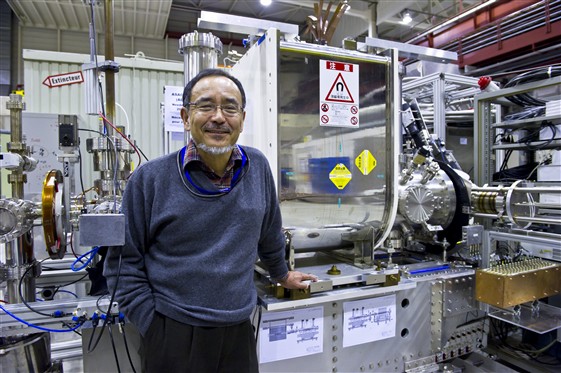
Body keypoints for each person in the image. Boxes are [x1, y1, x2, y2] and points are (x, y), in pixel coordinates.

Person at [103, 68, 317, 372]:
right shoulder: (150, 180)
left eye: (230, 107)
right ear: (185, 117)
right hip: (174, 333)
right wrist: (153, 325)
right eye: (205, 106)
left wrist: (281, 274)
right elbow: (122, 264)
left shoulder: (257, 166)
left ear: (242, 119)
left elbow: (269, 231)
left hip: (239, 330)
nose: (219, 116)